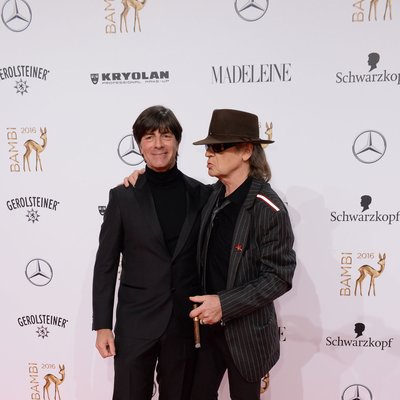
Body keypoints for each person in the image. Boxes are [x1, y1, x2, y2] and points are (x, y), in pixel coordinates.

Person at [92, 105, 211, 400]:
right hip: (135, 322)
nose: (158, 144)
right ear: (139, 145)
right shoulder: (123, 197)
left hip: (184, 324)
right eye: (149, 137)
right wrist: (103, 326)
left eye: (166, 135)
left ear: (178, 142)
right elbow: (106, 264)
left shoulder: (203, 195)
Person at [188, 108, 296, 400]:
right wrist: (139, 179)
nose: (208, 154)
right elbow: (171, 187)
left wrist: (224, 304)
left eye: (219, 147)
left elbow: (279, 276)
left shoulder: (268, 207)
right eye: (208, 147)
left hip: (247, 336)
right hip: (205, 333)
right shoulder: (211, 196)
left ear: (247, 151)